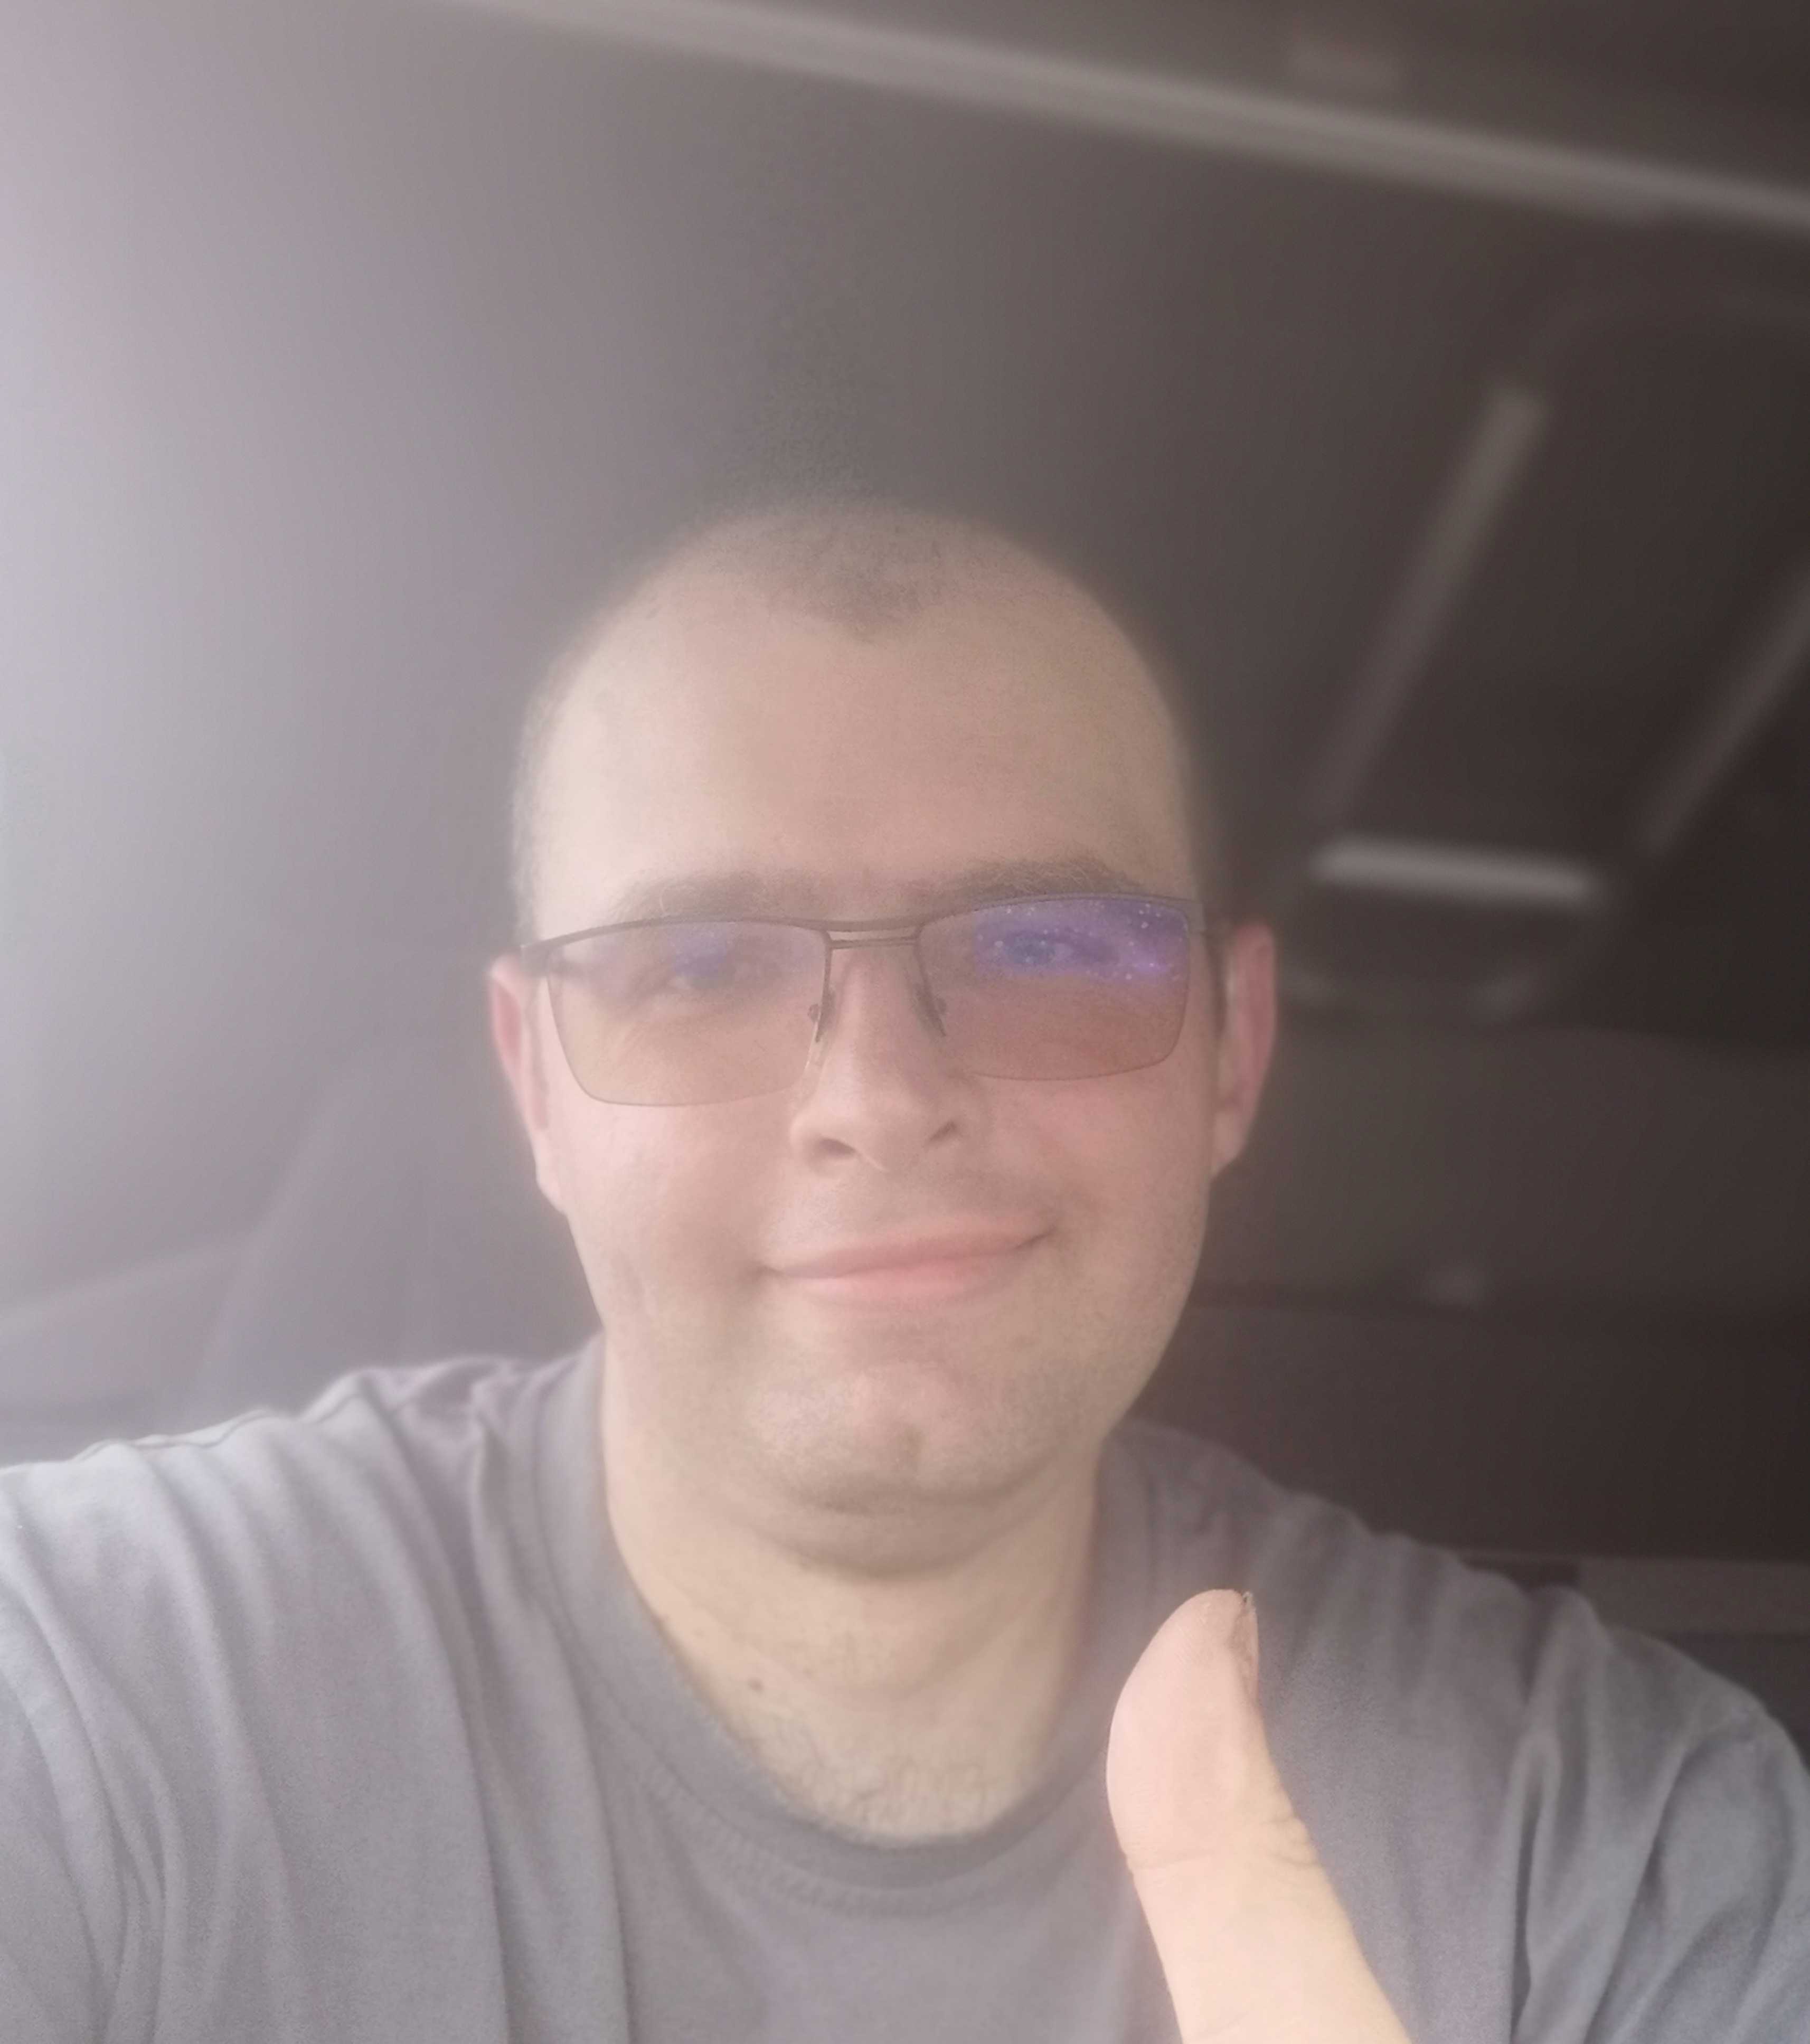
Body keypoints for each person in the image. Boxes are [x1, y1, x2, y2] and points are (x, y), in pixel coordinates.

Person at [2, 498, 1805, 2043]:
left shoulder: (1613, 1835)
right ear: (535, 1085)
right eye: (697, 966)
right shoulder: (91, 1688)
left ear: (1233, 1049)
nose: (876, 1099)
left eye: (1046, 946)